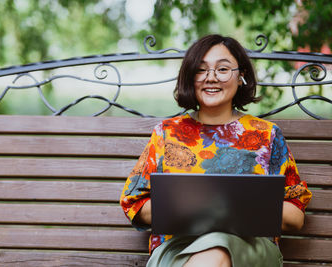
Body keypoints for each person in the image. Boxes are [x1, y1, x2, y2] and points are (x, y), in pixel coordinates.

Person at [119, 34, 312, 267]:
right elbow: (134, 204)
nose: (211, 78)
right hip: (178, 249)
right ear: (190, 78)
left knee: (218, 249)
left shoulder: (267, 135)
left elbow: (296, 216)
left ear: (241, 76)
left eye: (222, 69)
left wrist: (233, 208)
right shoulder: (166, 133)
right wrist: (193, 206)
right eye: (201, 70)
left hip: (250, 249)